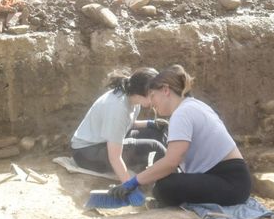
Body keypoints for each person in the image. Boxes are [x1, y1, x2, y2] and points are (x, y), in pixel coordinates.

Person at [106, 65, 252, 207]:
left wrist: (133, 182)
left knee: (165, 187)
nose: (151, 103)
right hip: (234, 181)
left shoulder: (182, 114)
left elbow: (171, 162)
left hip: (231, 183)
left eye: (153, 95)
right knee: (165, 182)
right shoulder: (193, 105)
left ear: (165, 90)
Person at [70, 68, 167, 182]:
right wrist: (129, 185)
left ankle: (158, 172)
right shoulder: (118, 108)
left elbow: (125, 124)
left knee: (156, 132)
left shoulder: (133, 98)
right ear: (143, 93)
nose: (157, 99)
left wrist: (151, 124)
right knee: (152, 146)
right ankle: (160, 177)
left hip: (103, 142)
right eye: (154, 95)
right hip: (87, 153)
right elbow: (115, 157)